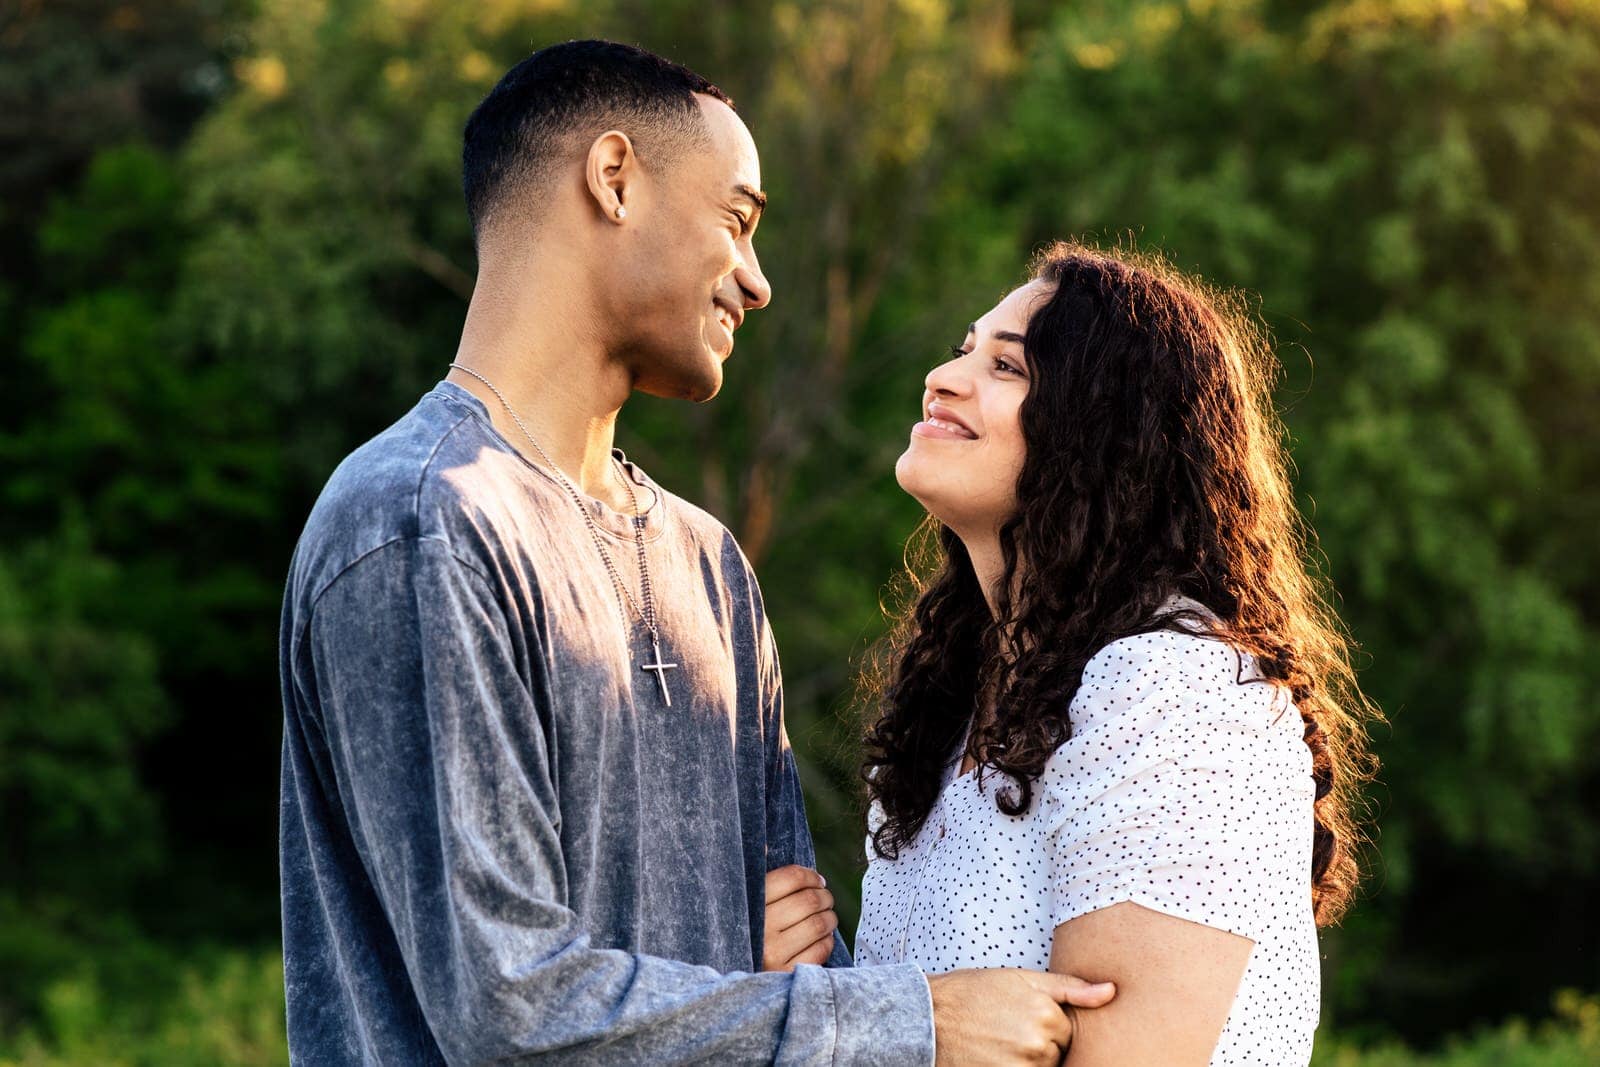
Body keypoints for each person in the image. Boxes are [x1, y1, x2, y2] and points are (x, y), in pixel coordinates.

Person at [278, 40, 1113, 1066]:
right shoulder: (422, 524)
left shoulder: (708, 565)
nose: (758, 282)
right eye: (739, 219)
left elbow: (793, 978)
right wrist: (911, 1019)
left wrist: (736, 980)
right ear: (614, 178)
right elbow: (509, 1015)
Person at [844, 242, 1378, 1065]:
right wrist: (813, 991)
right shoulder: (957, 712)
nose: (942, 378)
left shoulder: (1176, 686)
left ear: (1103, 429)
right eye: (962, 350)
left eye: (1007, 367)